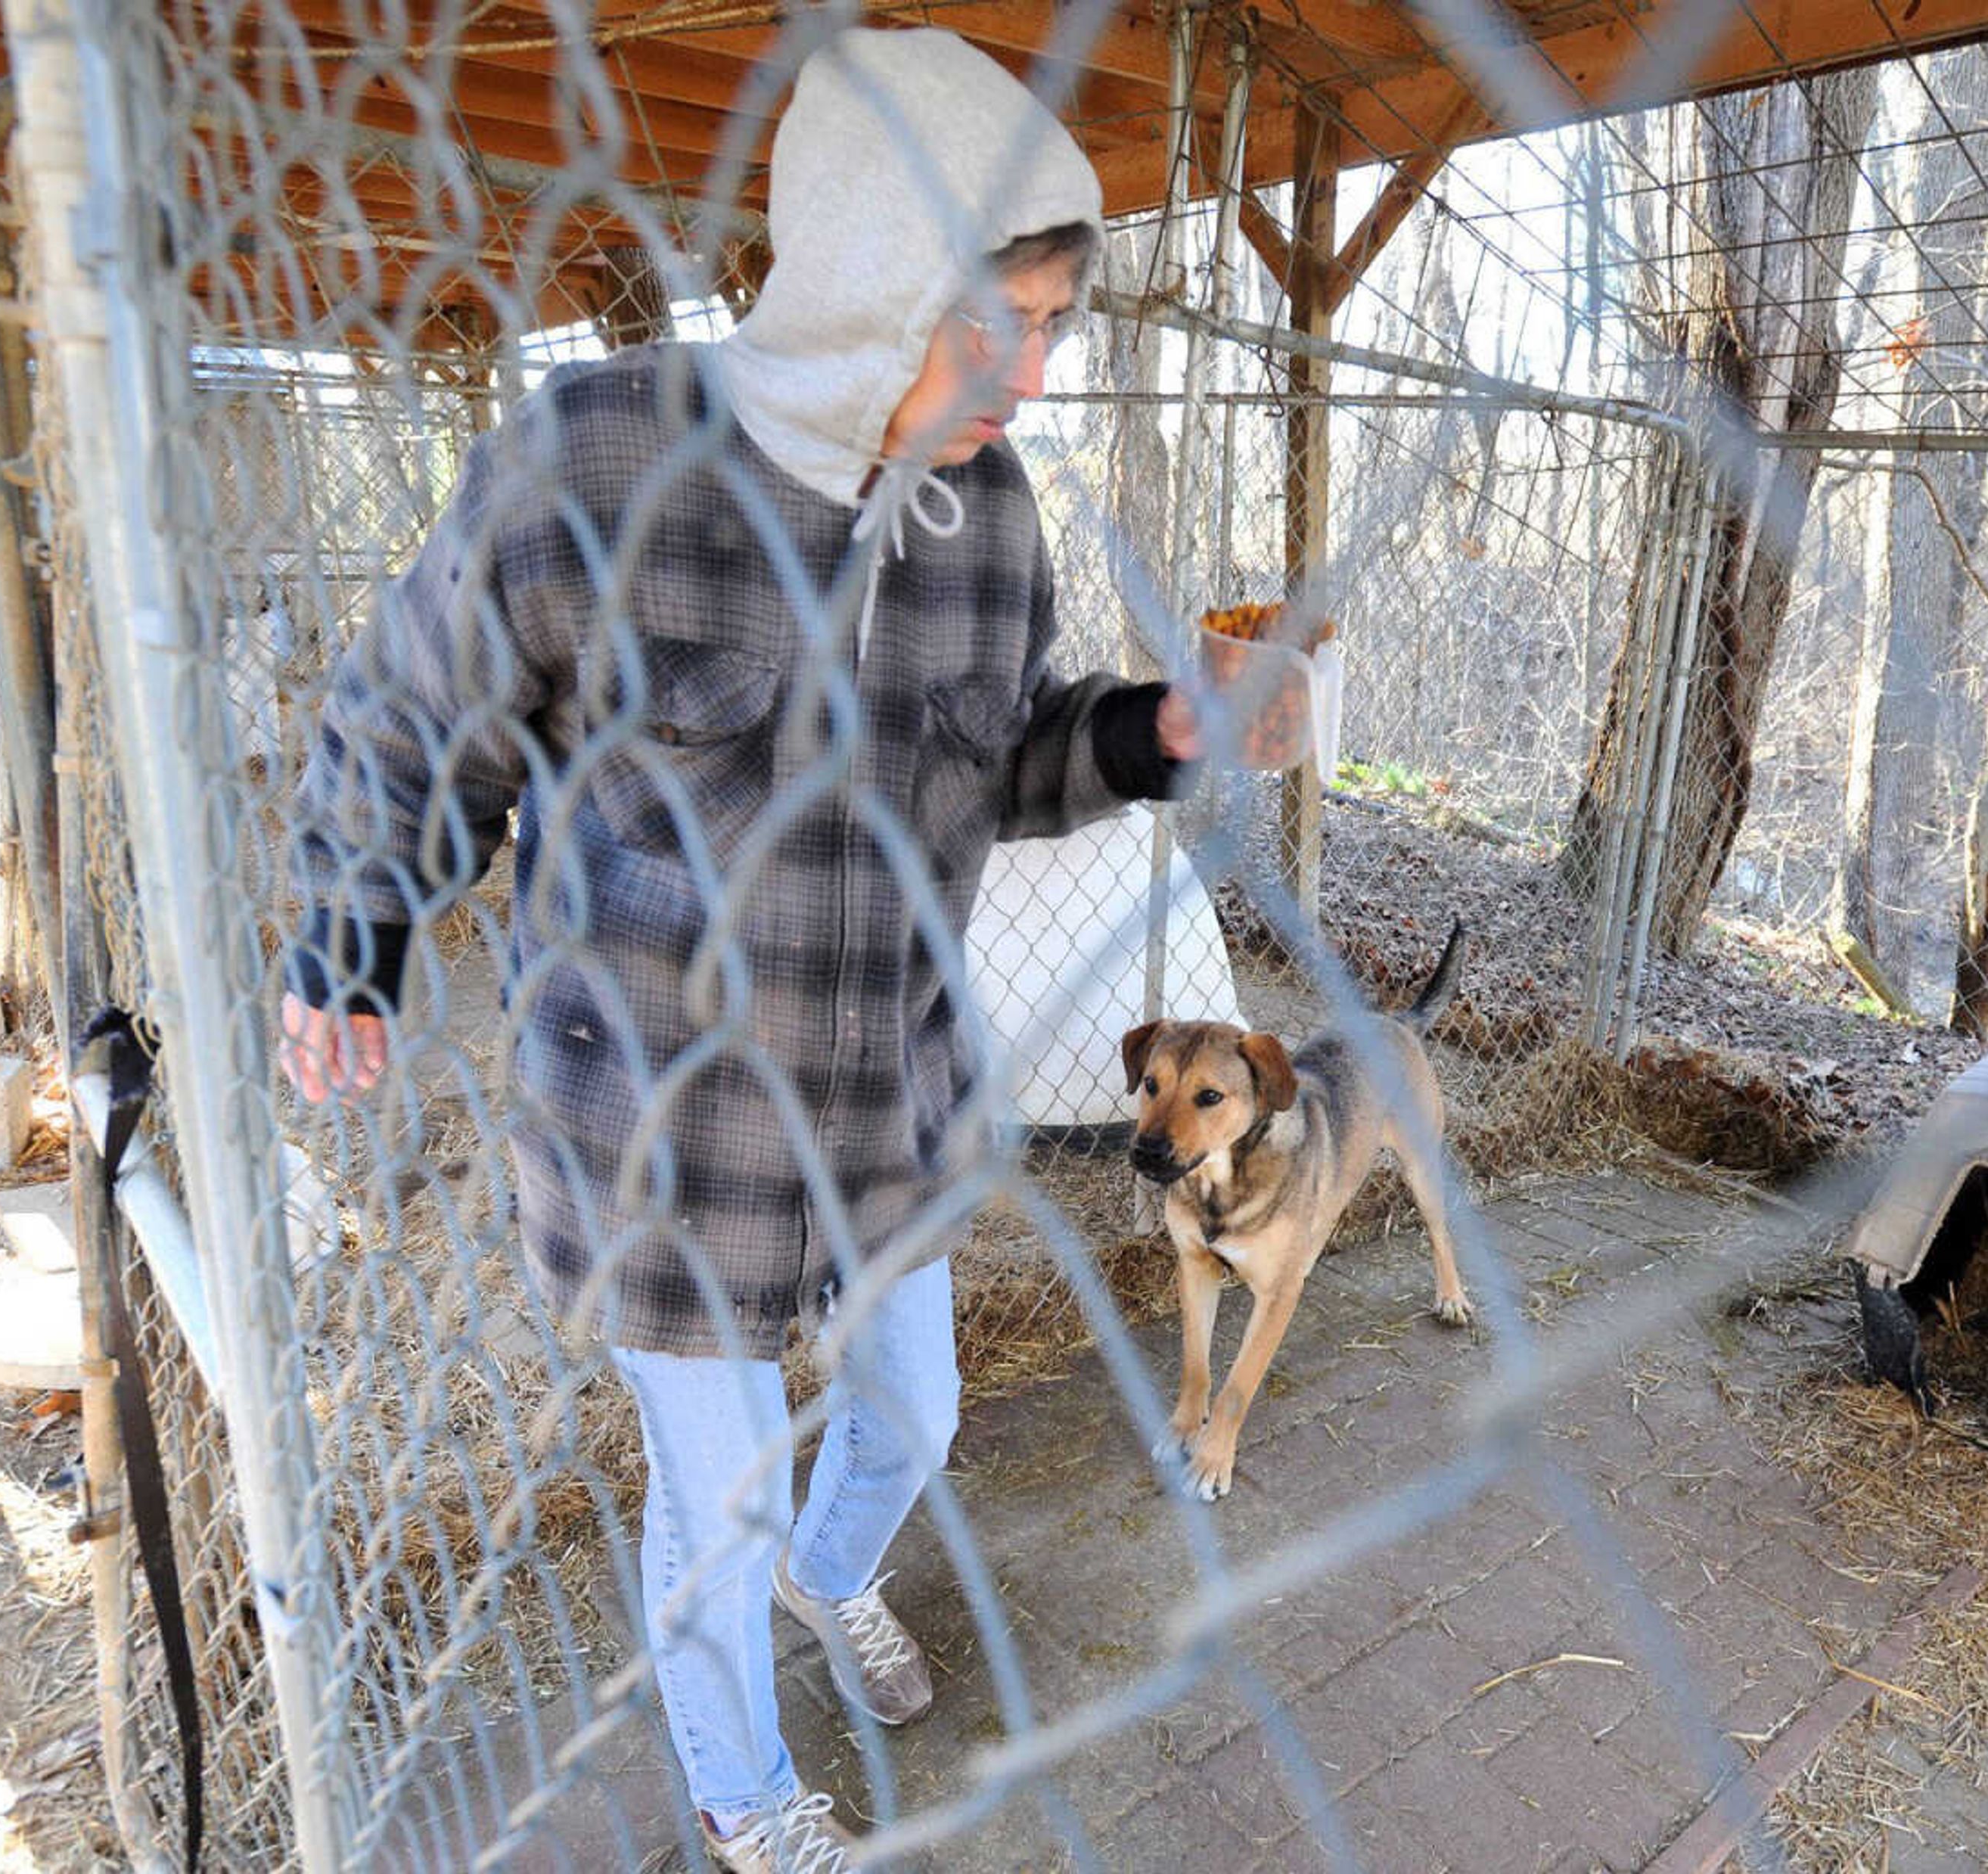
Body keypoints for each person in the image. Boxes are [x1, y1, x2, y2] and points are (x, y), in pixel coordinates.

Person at [278, 27, 1220, 1872]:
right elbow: (415, 715)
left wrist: (1144, 738)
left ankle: (831, 1574)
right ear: (877, 290)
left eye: (1052, 330)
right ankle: (738, 1791)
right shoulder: (606, 461)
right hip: (664, 1117)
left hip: (887, 1103)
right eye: (996, 324)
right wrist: (352, 929)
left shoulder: (984, 510)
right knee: (704, 1497)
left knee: (917, 1416)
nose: (1029, 377)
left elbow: (1007, 749)